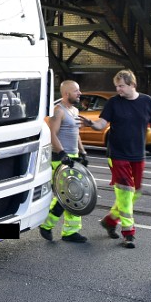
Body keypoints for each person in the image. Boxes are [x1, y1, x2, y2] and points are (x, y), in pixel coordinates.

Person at [80, 69, 151, 248]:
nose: (118, 89)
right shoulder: (113, 103)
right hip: (117, 154)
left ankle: (110, 221)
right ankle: (128, 233)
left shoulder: (146, 101)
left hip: (138, 154)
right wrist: (92, 125)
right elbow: (102, 124)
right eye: (116, 86)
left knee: (136, 193)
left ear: (132, 84)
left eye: (121, 86)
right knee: (126, 193)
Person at [40, 80, 89, 243]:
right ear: (66, 94)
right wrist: (61, 153)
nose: (79, 93)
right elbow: (52, 134)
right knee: (65, 195)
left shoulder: (74, 110)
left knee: (76, 195)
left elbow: (77, 134)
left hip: (73, 157)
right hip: (60, 159)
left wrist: (83, 152)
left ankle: (70, 231)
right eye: (76, 91)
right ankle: (46, 225)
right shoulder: (58, 111)